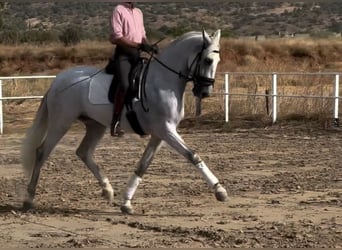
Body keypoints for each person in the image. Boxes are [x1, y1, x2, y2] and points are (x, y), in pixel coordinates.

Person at [108, 2, 158, 136]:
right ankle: (115, 122)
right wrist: (139, 45)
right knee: (125, 85)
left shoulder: (138, 12)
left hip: (136, 54)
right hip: (123, 55)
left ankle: (142, 121)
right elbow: (117, 36)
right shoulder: (118, 9)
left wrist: (149, 46)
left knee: (144, 82)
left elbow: (142, 35)